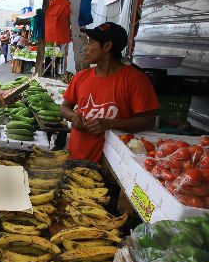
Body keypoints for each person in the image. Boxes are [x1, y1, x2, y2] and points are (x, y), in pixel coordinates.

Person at [61, 22, 159, 162]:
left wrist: (109, 124)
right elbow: (65, 107)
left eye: (92, 42)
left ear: (107, 46)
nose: (86, 48)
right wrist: (73, 117)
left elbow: (148, 120)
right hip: (76, 154)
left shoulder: (136, 80)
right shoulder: (81, 77)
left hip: (112, 161)